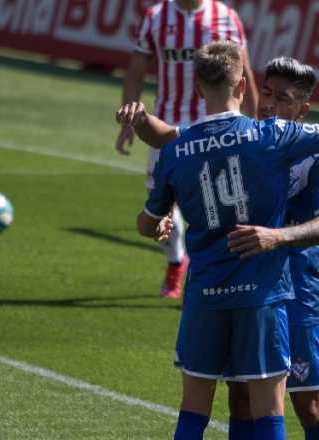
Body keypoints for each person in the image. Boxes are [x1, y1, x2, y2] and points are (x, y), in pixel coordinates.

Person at [120, 41, 319, 440]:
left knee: (308, 402)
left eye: (281, 98)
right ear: (245, 88)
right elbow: (174, 138)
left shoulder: (311, 155)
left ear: (302, 109)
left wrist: (277, 236)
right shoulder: (259, 138)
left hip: (296, 290)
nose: (267, 103)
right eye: (264, 92)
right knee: (242, 396)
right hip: (253, 289)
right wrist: (142, 119)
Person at [117, 0, 259, 299]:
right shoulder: (155, 17)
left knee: (216, 201)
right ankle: (176, 262)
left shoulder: (226, 17)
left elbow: (244, 72)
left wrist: (256, 124)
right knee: (162, 204)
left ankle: (208, 272)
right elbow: (135, 71)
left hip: (215, 128)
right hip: (165, 130)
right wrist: (128, 122)